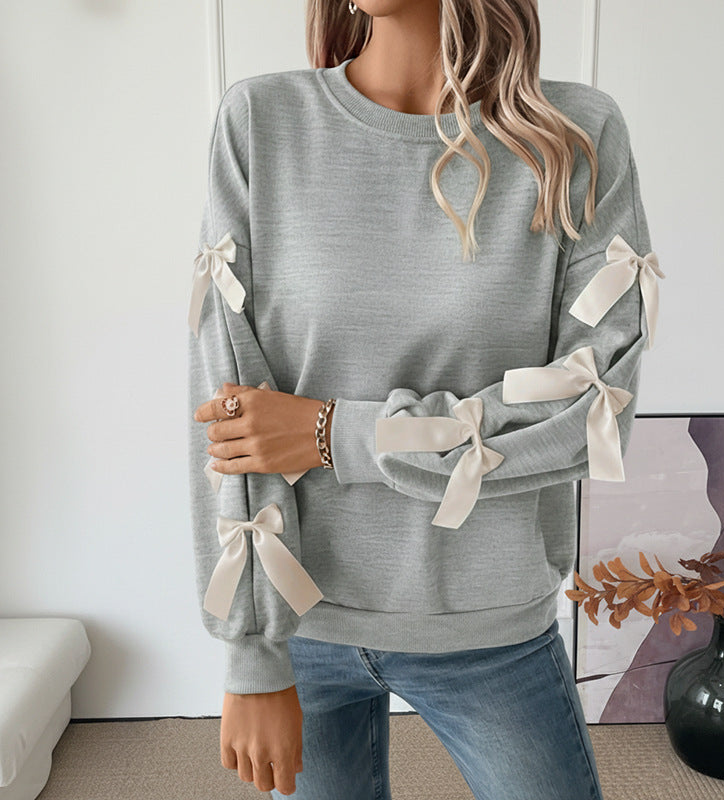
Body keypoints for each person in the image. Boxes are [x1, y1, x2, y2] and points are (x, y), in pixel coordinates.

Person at [187, 0, 664, 797]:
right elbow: (228, 406)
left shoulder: (575, 137)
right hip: (303, 621)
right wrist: (252, 651)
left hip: (491, 624)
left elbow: (592, 412)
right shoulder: (262, 123)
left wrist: (338, 434)